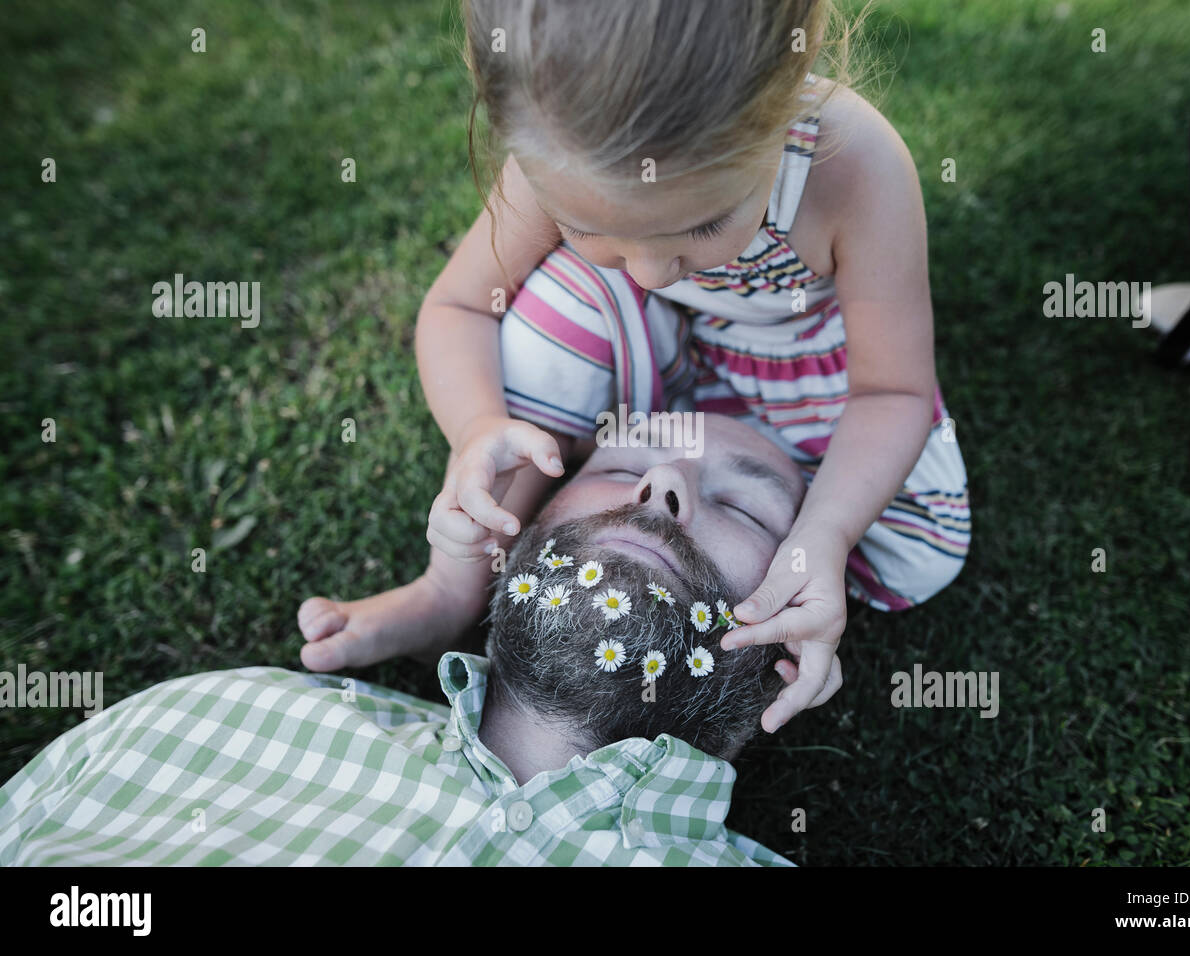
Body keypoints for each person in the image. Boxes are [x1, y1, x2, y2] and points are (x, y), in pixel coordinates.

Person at [297, 0, 971, 734]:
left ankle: (731, 513)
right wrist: (477, 428)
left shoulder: (850, 165)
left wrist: (830, 532)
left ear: (785, 99)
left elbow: (891, 390)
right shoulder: (551, 139)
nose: (649, 271)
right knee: (557, 309)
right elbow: (460, 308)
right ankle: (449, 593)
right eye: (590, 226)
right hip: (663, 357)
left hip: (814, 386)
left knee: (921, 552)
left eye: (705, 223)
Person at [0, 415, 828, 866]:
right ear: (518, 536)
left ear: (790, 659)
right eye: (619, 463)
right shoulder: (200, 724)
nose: (667, 482)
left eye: (748, 509)